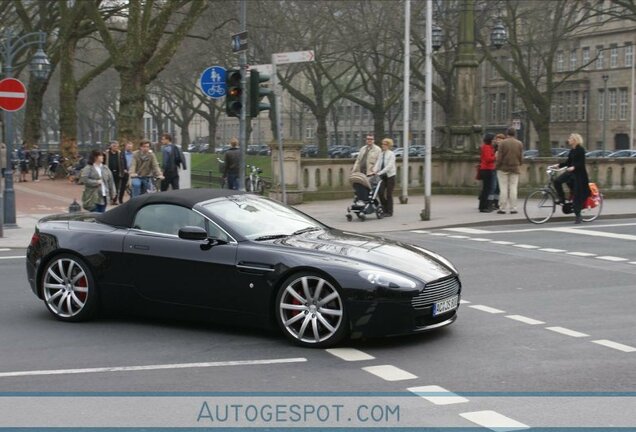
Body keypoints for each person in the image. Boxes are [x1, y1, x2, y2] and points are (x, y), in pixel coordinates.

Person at [550, 133, 591, 224]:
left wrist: (574, 167)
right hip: (571, 173)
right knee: (557, 181)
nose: (568, 140)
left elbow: (581, 163)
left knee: (577, 194)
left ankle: (578, 216)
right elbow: (568, 162)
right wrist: (558, 165)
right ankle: (562, 198)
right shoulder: (572, 150)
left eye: (570, 138)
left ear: (575, 140)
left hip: (579, 175)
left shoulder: (581, 150)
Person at [495, 127, 523, 214]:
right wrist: (519, 163)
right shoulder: (519, 143)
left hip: (503, 168)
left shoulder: (502, 143)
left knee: (503, 188)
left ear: (507, 133)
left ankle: (502, 208)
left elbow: (499, 157)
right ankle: (513, 208)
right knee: (513, 188)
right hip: (515, 167)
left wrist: (497, 166)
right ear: (515, 134)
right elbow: (521, 156)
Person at [370, 137, 397, 217]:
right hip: (382, 177)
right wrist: (374, 171)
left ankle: (389, 211)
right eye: (382, 144)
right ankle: (384, 208)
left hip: (390, 176)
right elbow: (378, 164)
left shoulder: (391, 154)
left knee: (389, 194)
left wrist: (380, 172)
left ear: (389, 145)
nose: (383, 146)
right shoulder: (381, 154)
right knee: (380, 193)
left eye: (385, 144)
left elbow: (389, 166)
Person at [478, 133, 496, 213]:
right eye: (493, 139)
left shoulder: (488, 147)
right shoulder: (487, 147)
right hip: (487, 169)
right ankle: (483, 207)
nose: (494, 140)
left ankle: (483, 206)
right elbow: (488, 159)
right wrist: (496, 157)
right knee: (486, 189)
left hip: (486, 169)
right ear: (490, 140)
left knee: (486, 189)